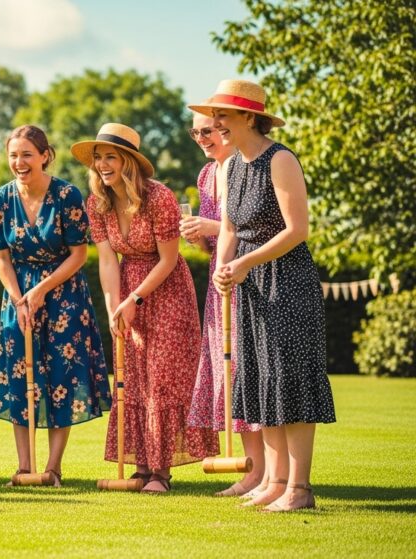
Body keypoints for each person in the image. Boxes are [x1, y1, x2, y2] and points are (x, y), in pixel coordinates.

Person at [189, 80, 335, 512]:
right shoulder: (233, 166)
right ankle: (274, 481)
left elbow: (297, 230)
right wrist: (222, 269)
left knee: (290, 381)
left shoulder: (281, 159)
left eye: (223, 117)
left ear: (249, 118)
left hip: (286, 281)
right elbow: (231, 229)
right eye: (214, 117)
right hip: (248, 284)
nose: (216, 125)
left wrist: (248, 263)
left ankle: (300, 488)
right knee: (260, 381)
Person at [74, 123, 217, 493]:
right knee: (134, 377)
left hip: (166, 291)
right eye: (98, 158)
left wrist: (135, 298)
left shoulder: (159, 197)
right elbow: (106, 260)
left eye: (111, 157)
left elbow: (169, 259)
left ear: (129, 162)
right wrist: (112, 307)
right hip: (125, 289)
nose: (103, 165)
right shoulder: (97, 203)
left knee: (162, 377)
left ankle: (161, 473)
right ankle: (141, 465)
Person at [0, 125, 110, 487]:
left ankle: (53, 468)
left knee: (61, 378)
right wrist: (18, 299)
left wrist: (41, 290)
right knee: (20, 378)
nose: (19, 162)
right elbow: (2, 259)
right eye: (13, 155)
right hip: (18, 299)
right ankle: (25, 468)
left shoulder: (68, 195)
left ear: (44, 156)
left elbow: (78, 255)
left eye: (27, 154)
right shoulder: (0, 199)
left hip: (63, 298)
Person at [182, 113, 265, 497]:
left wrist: (210, 227)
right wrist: (197, 236)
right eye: (196, 131)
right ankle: (254, 472)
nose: (202, 137)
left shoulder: (244, 166)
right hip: (219, 280)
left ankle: (264, 473)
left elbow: (239, 228)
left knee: (246, 369)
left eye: (209, 130)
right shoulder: (205, 175)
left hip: (247, 276)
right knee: (227, 373)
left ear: (228, 128)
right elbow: (215, 240)